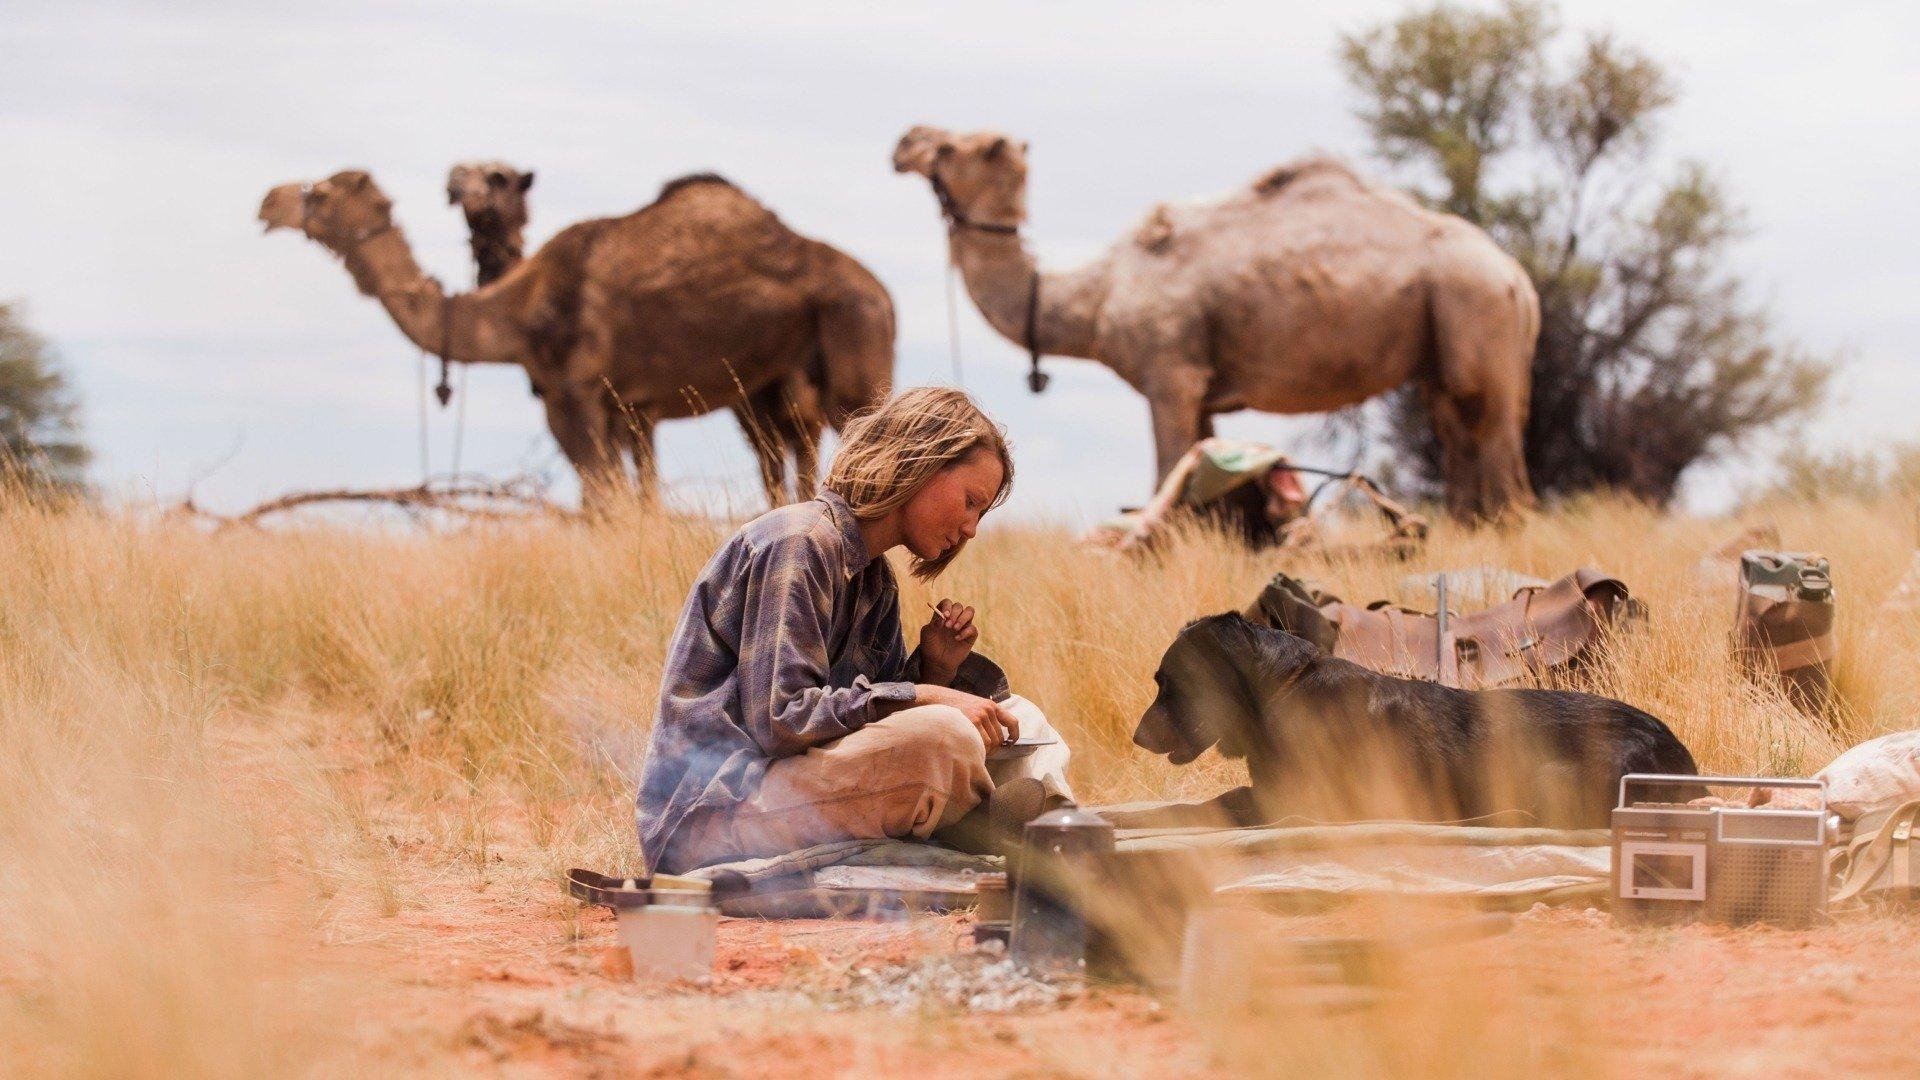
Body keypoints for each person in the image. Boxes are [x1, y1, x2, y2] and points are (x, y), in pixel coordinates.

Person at [635, 387, 1073, 875]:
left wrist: (936, 668)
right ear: (919, 462)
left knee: (1026, 720)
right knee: (944, 734)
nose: (971, 528)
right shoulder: (798, 544)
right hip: (716, 813)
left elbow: (872, 722)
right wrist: (928, 696)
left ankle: (1059, 835)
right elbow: (782, 722)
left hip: (790, 789)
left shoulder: (875, 579)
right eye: (970, 501)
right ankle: (996, 829)